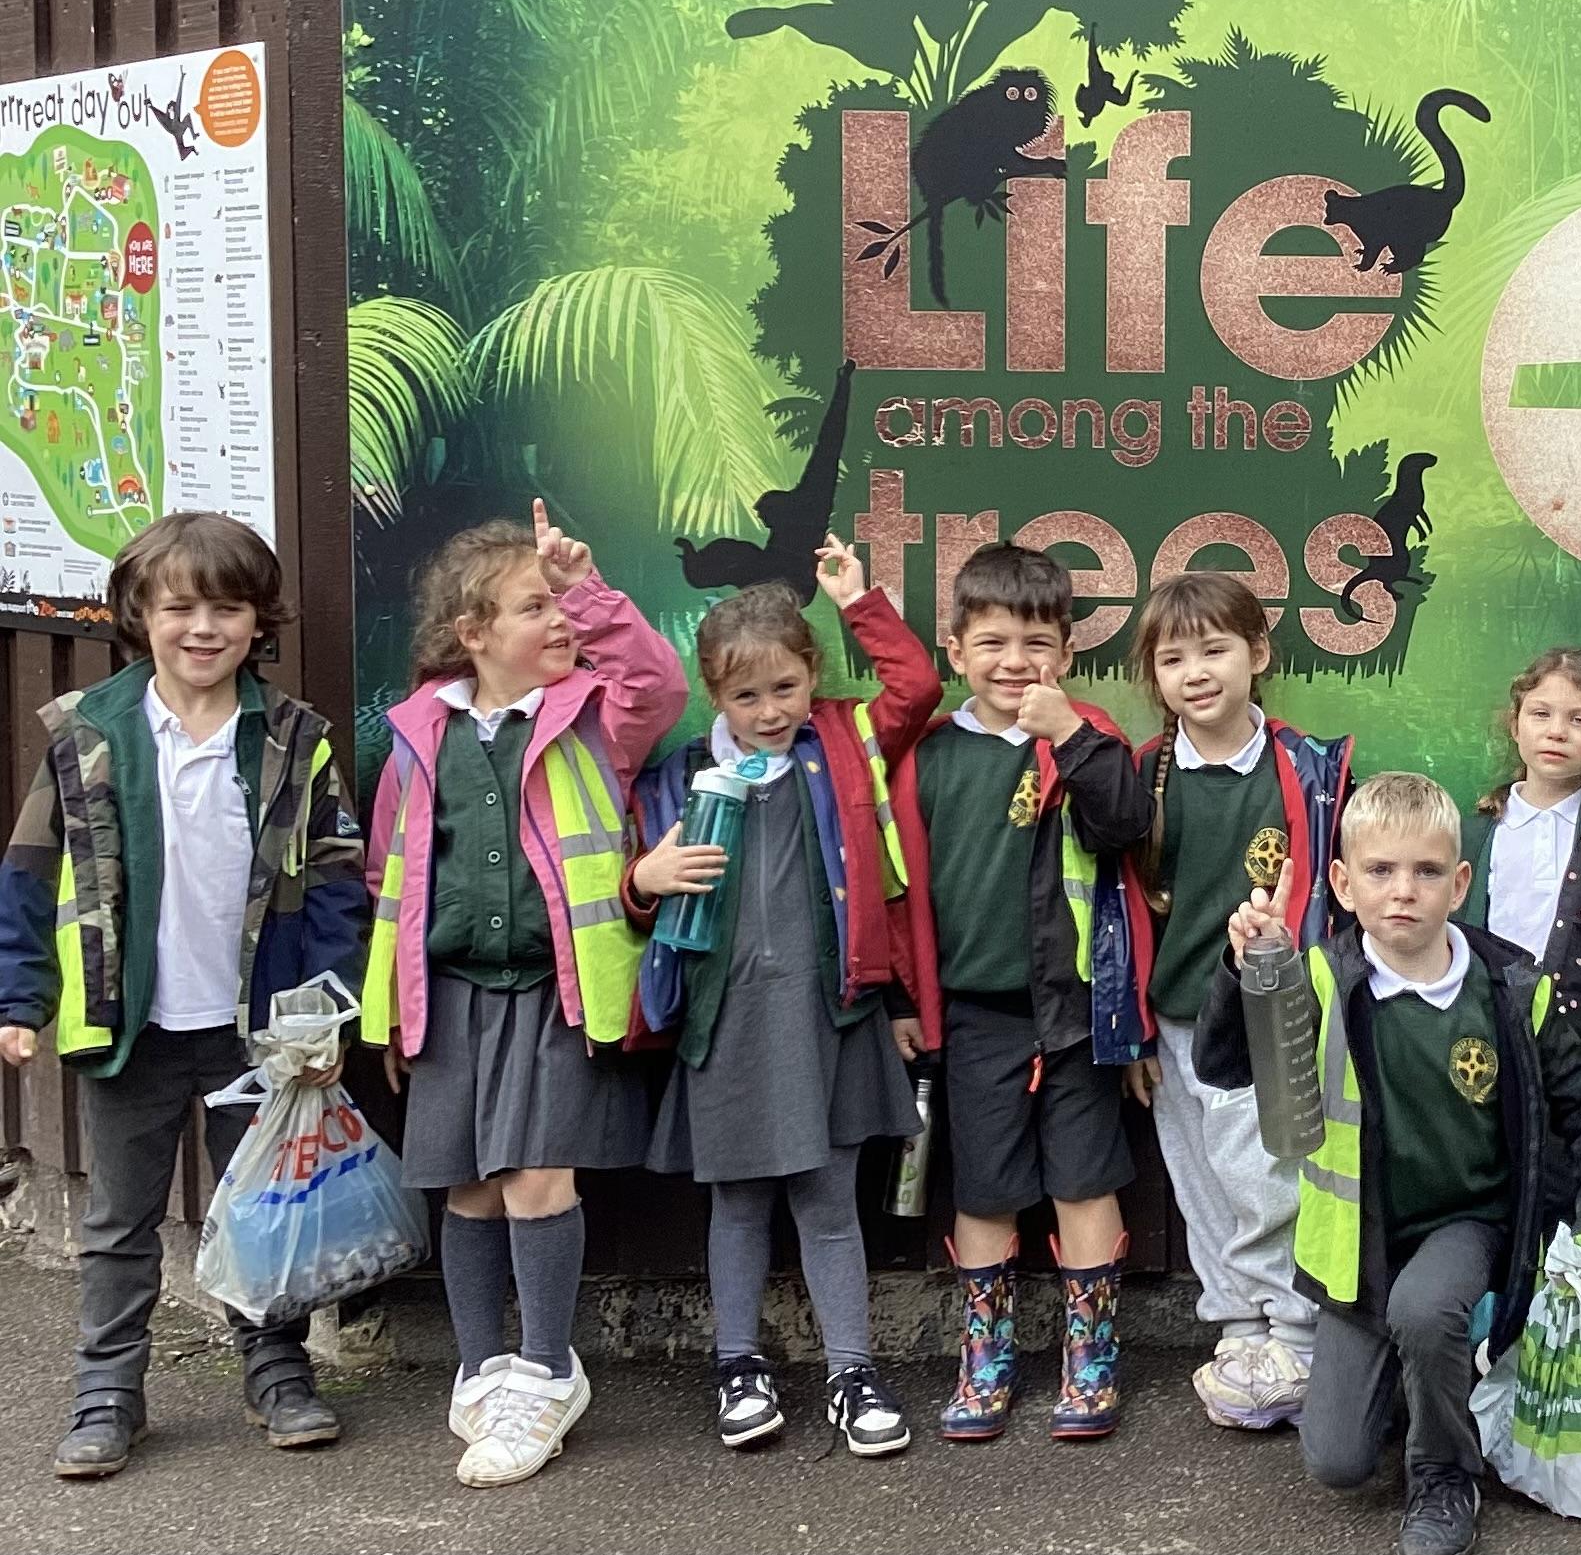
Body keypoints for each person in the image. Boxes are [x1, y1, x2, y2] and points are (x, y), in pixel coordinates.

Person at [0, 512, 369, 1478]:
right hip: (130, 1026)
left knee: (263, 1212)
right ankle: (107, 1391)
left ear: (258, 622)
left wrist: (326, 1007)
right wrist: (19, 997)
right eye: (180, 607)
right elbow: (30, 870)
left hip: (258, 1034)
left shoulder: (293, 738)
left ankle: (277, 1368)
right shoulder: (88, 731)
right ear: (139, 613)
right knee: (119, 1223)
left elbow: (339, 878)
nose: (203, 627)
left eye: (228, 608)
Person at [1194, 771, 1581, 1555]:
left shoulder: (1509, 986)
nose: (1403, 890)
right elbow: (1224, 1064)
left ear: (1459, 882)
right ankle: (1432, 1389)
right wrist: (1247, 969)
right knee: (1338, 1461)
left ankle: (1444, 1475)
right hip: (1360, 1242)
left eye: (1426, 871)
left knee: (1425, 1309)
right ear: (1343, 882)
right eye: (1380, 869)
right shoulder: (1321, 977)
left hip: (1469, 1220)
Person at [362, 502, 686, 1488]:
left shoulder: (594, 714)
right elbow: (389, 874)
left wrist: (587, 590)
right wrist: (394, 1008)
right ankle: (481, 1368)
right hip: (450, 995)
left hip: (557, 992)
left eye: (559, 607)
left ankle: (546, 1372)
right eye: (533, 607)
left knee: (539, 1179)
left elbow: (659, 682)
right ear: (472, 632)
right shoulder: (419, 734)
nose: (556, 622)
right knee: (466, 1183)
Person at [627, 537, 939, 1458]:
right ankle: (737, 1365)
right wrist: (642, 879)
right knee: (736, 1205)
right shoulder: (678, 775)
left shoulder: (841, 746)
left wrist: (859, 603)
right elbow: (637, 895)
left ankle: (851, 1371)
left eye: (786, 688)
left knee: (830, 1201)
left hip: (828, 1014)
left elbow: (917, 688)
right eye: (745, 695)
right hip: (723, 1024)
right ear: (714, 694)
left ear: (813, 675)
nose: (769, 711)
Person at [889, 541, 1156, 1442]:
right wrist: (907, 1003)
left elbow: (1124, 823)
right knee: (984, 1186)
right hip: (973, 1014)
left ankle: (1090, 1359)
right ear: (956, 649)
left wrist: (1067, 734)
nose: (1014, 662)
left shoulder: (1085, 736)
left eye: (1036, 643)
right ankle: (986, 1358)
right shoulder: (928, 754)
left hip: (1073, 1014)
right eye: (993, 642)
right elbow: (898, 891)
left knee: (1084, 1179)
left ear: (1067, 651)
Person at [1126, 570, 1350, 1430]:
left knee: (1266, 1180)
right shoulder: (1143, 776)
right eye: (1172, 658)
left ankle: (1294, 1335)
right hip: (1175, 1015)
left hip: (1265, 1014)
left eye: (1213, 650)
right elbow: (1118, 912)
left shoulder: (1306, 769)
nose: (1195, 672)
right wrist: (1133, 1030)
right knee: (1201, 1185)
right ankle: (1239, 1332)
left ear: (1256, 654)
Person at [1456, 648, 1581, 1079]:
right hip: (1491, 1042)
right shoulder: (1477, 833)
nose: (1557, 732)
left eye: (1579, 720)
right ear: (1515, 725)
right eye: (1540, 714)